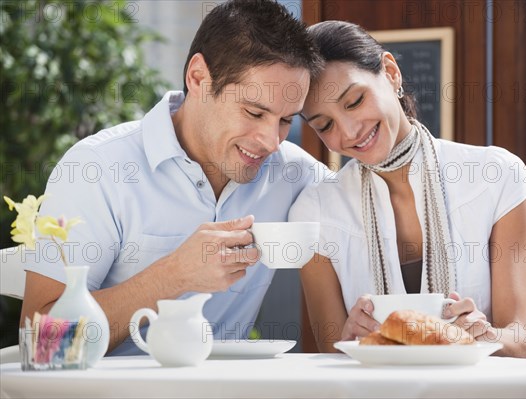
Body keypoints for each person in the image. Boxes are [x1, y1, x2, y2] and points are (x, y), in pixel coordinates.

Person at [20, 0, 325, 355]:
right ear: (198, 78)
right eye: (254, 112)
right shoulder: (96, 169)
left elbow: (372, 196)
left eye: (287, 120)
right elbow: (41, 344)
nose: (272, 141)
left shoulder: (292, 173)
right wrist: (173, 275)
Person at [290, 20, 526, 357]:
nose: (348, 132)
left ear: (391, 73)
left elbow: (517, 343)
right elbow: (330, 358)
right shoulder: (314, 211)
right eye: (325, 125)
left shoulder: (497, 176)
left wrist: (481, 334)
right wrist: (347, 339)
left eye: (354, 101)